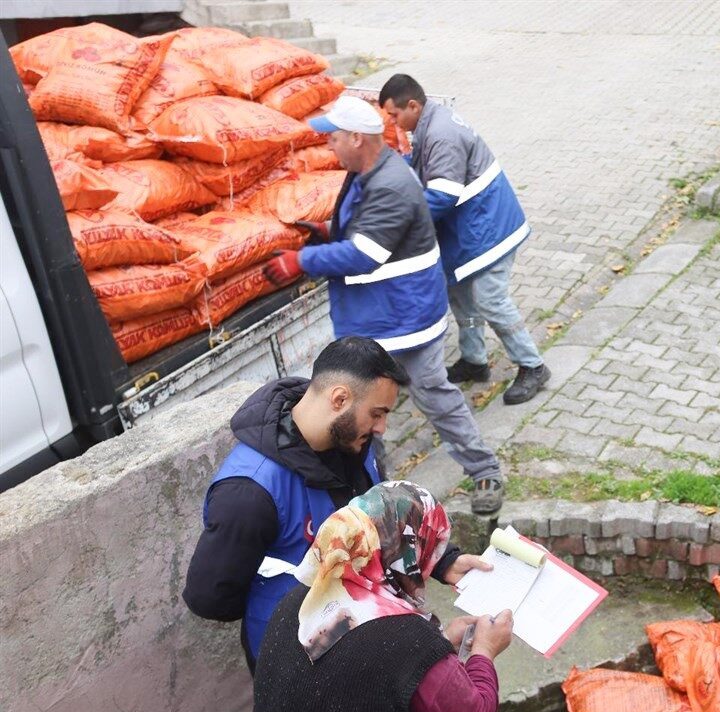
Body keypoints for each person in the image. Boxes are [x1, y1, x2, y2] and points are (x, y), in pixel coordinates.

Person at [183, 336, 492, 672]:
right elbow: (211, 597)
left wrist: (443, 561)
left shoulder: (351, 440)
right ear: (339, 398)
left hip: (365, 638)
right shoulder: (249, 493)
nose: (382, 428)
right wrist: (287, 599)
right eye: (377, 414)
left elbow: (382, 515)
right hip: (299, 668)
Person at [262, 94, 505, 517]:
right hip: (380, 315)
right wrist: (327, 228)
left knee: (433, 394)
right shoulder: (367, 170)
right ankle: (378, 494)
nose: (329, 146)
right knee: (365, 412)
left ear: (357, 138)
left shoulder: (390, 182)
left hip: (404, 319)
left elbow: (366, 253)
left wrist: (300, 260)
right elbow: (366, 225)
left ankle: (483, 470)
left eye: (334, 138)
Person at [233, 481, 513, 712]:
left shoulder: (299, 601)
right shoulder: (411, 645)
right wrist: (484, 651)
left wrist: (442, 645)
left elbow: (360, 673)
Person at [379, 74, 551, 406]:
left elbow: (442, 196)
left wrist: (401, 223)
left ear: (412, 105)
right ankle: (474, 359)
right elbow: (420, 168)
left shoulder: (441, 134)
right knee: (459, 294)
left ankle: (533, 365)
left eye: (394, 115)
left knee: (491, 300)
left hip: (490, 230)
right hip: (473, 228)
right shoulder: (429, 124)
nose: (392, 123)